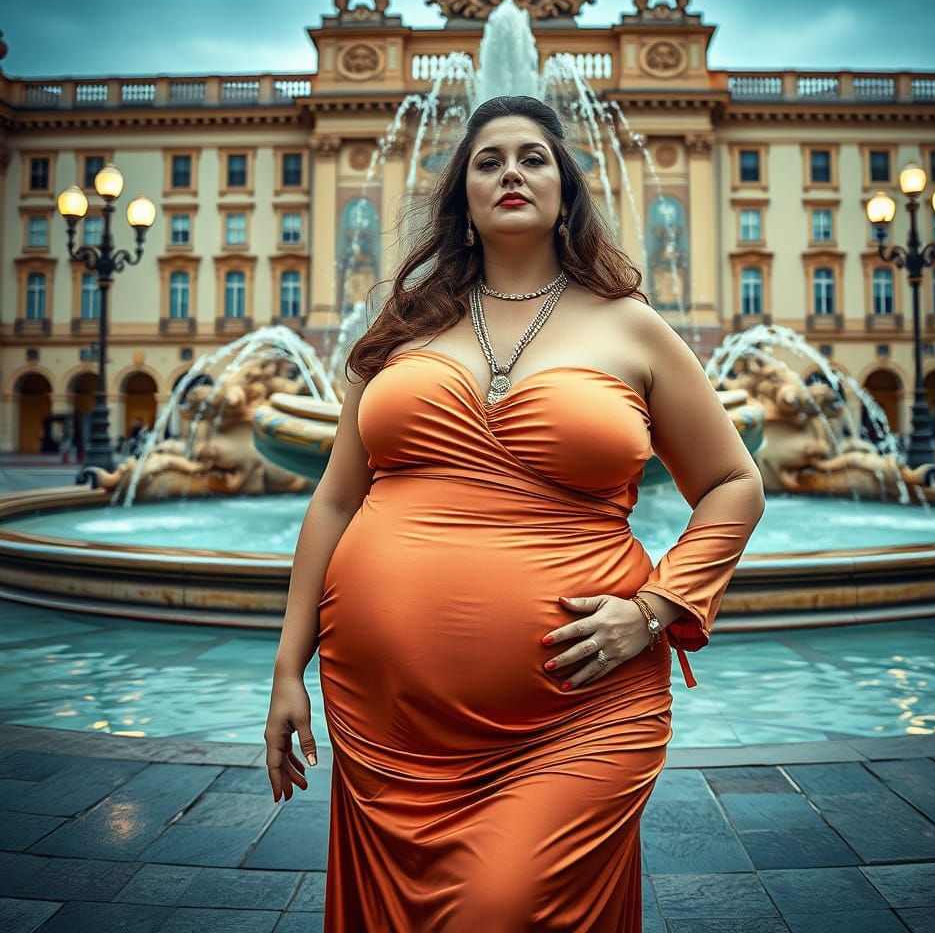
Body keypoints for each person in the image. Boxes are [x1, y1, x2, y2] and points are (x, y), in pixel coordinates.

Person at [263, 95, 766, 931]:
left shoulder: (632, 327)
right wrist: (288, 668)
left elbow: (733, 483)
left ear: (566, 189)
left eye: (532, 157)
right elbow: (336, 500)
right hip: (390, 721)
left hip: (578, 704)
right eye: (486, 160)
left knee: (501, 905)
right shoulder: (401, 328)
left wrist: (656, 609)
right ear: (460, 194)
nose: (509, 173)